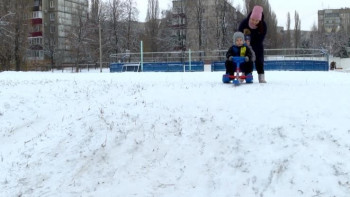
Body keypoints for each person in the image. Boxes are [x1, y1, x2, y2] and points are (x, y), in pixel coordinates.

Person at [239, 5, 267, 83]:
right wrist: (244, 43)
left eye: (256, 20)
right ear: (250, 17)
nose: (254, 22)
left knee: (259, 59)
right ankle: (245, 73)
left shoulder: (263, 26)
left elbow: (260, 39)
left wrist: (252, 46)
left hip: (257, 44)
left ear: (260, 20)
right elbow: (239, 34)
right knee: (245, 58)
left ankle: (261, 75)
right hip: (245, 44)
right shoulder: (244, 23)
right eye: (252, 19)